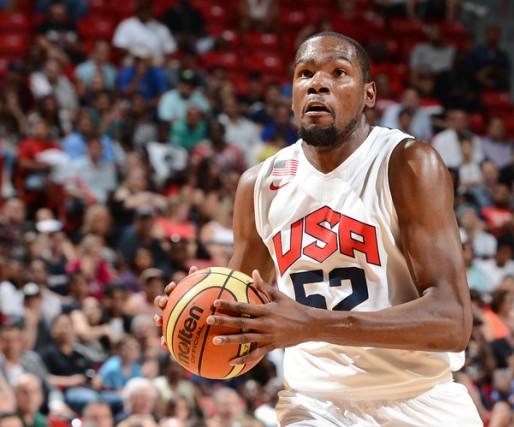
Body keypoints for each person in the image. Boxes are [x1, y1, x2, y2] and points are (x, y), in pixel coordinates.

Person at [155, 31, 481, 426]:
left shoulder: (406, 164)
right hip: (313, 404)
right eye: (305, 73)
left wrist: (310, 324)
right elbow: (240, 316)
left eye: (338, 72)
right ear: (293, 95)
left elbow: (452, 321)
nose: (317, 83)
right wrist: (192, 316)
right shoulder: (260, 185)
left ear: (369, 95)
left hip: (418, 398)